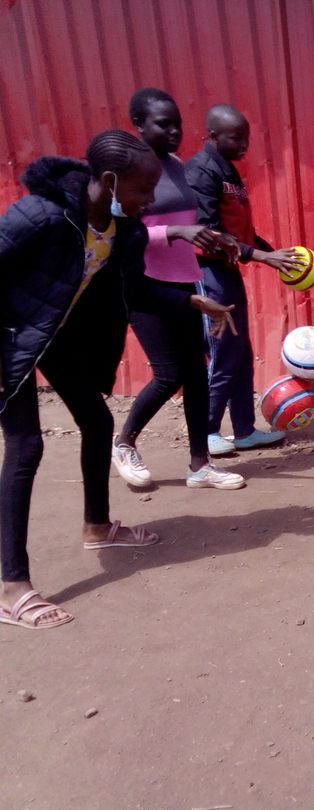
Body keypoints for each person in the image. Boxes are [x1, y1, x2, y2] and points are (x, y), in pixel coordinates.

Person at [0, 131, 167, 629]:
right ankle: (11, 587)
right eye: (144, 189)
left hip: (50, 335)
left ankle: (97, 527)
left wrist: (193, 301)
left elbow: (136, 290)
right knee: (26, 447)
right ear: (110, 181)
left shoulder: (118, 229)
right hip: (8, 337)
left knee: (97, 421)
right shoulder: (43, 215)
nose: (150, 199)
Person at [112, 88, 246, 491]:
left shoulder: (175, 165)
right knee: (169, 375)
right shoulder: (126, 172)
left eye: (178, 124)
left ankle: (200, 466)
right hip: (145, 286)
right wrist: (175, 231)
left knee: (196, 375)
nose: (174, 132)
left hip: (185, 281)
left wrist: (212, 237)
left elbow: (190, 225)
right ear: (139, 124)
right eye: (163, 124)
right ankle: (124, 443)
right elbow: (124, 236)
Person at [185, 104, 303, 455]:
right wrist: (264, 257)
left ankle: (244, 430)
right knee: (223, 353)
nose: (244, 144)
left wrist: (272, 254)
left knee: (240, 352)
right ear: (213, 135)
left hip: (227, 271)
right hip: (207, 273)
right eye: (236, 137)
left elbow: (240, 234)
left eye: (246, 137)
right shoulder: (201, 170)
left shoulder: (228, 171)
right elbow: (208, 233)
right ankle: (207, 432)